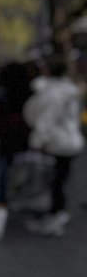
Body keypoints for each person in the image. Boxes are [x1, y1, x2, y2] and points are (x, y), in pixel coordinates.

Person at [23, 57, 84, 236]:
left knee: (54, 181)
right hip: (70, 141)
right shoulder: (69, 90)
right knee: (60, 180)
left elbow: (46, 120)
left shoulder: (53, 93)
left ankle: (55, 215)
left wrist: (36, 142)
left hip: (58, 143)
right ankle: (56, 213)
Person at [0, 62, 35, 204]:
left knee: (4, 169)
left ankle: (1, 197)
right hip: (25, 137)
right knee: (23, 168)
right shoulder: (30, 91)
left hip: (7, 138)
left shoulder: (3, 92)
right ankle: (20, 196)